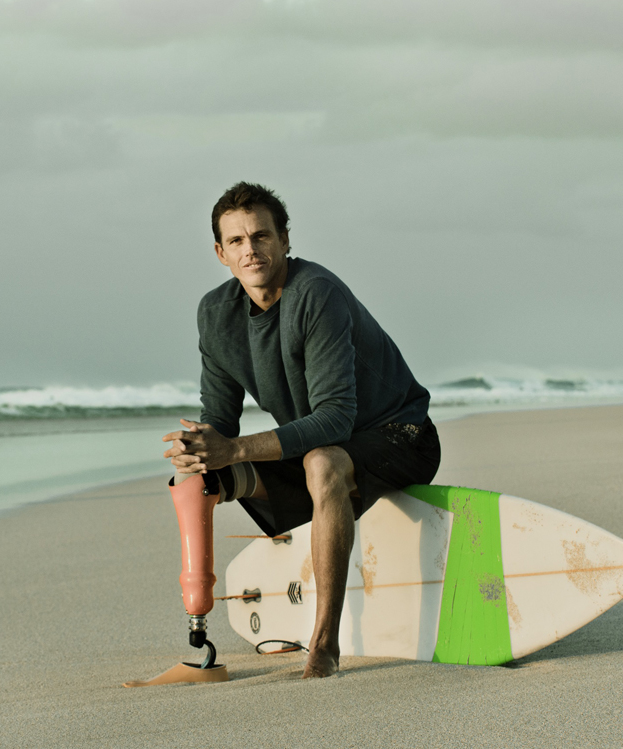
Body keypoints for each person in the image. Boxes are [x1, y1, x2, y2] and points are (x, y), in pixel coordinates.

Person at [163, 182, 440, 678]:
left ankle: (324, 644)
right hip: (321, 446)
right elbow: (220, 420)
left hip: (402, 435)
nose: (250, 249)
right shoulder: (215, 314)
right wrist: (199, 448)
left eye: (261, 236)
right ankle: (197, 629)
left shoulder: (316, 293)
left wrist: (235, 448)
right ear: (221, 253)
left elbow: (335, 417)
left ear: (285, 239)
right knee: (198, 477)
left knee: (321, 461)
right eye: (237, 241)